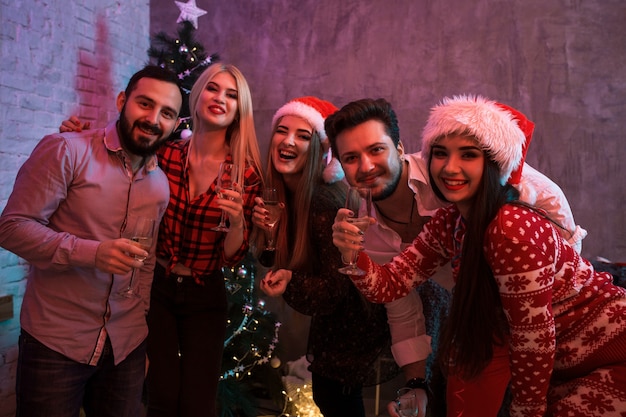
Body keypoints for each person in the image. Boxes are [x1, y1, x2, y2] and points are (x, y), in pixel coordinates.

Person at [331, 95, 626, 417]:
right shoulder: (452, 221)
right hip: (561, 360)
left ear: (493, 164)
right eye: (440, 154)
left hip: (609, 353)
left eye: (468, 155)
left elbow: (533, 344)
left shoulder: (509, 229)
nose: (450, 167)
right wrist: (351, 254)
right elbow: (389, 286)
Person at [60, 63, 264, 417]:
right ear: (197, 97)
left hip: (205, 292)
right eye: (213, 89)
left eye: (232, 95)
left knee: (198, 403)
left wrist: (235, 223)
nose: (220, 99)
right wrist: (78, 136)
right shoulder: (165, 154)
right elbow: (117, 154)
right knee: (161, 396)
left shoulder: (245, 172)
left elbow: (232, 258)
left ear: (239, 108)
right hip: (158, 287)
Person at [0, 65, 183, 417]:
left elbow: (144, 267)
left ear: (175, 125)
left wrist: (139, 334)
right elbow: (12, 227)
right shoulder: (67, 150)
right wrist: (92, 253)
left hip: (126, 347)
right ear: (121, 101)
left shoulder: (160, 185)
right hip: (56, 343)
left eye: (167, 113)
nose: (153, 118)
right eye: (145, 104)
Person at [254, 96, 400, 417]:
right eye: (282, 130)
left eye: (303, 135)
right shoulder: (288, 197)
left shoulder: (323, 202)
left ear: (321, 150)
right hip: (339, 330)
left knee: (336, 400)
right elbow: (278, 258)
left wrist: (290, 281)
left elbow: (331, 293)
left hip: (355, 327)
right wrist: (269, 238)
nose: (288, 140)